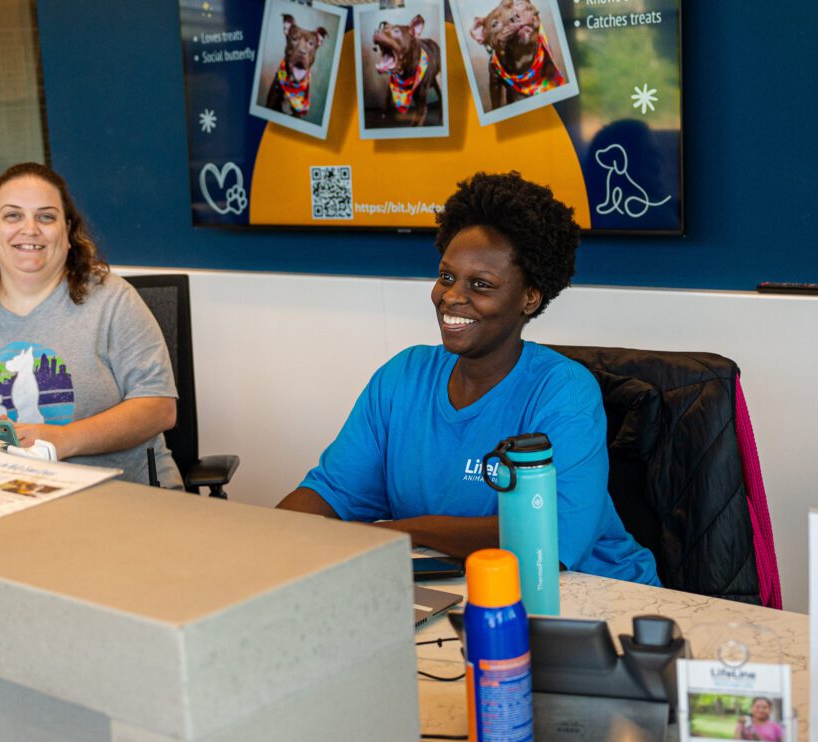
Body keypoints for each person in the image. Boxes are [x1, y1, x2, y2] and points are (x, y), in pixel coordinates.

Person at [277, 171, 658, 584]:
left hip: (593, 597)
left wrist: (404, 531)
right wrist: (264, 540)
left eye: (481, 284)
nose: (452, 296)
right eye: (446, 276)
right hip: (456, 591)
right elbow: (329, 494)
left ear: (529, 297)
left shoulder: (564, 393)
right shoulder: (402, 378)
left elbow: (548, 539)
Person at [0, 162, 180, 487]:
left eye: (46, 216)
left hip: (113, 499)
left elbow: (159, 408)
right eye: (13, 215)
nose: (30, 229)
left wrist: (61, 440)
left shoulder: (113, 300)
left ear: (67, 233)